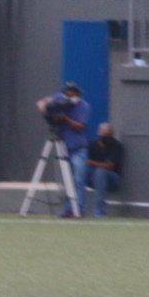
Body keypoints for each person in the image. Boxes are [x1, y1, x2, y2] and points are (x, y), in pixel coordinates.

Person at [35, 82, 92, 216]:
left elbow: (80, 126)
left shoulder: (84, 106)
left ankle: (78, 208)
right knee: (67, 180)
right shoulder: (59, 98)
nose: (69, 95)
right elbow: (41, 103)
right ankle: (68, 208)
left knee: (78, 179)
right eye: (67, 92)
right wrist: (48, 114)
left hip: (78, 147)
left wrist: (65, 118)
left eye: (72, 92)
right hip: (64, 146)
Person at [84, 123, 125, 218]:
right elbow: (85, 162)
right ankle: (75, 207)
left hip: (113, 179)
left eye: (109, 135)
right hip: (94, 178)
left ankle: (99, 210)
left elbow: (110, 166)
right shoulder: (92, 145)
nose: (107, 138)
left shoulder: (116, 146)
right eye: (104, 135)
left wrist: (93, 163)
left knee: (100, 172)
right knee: (80, 174)